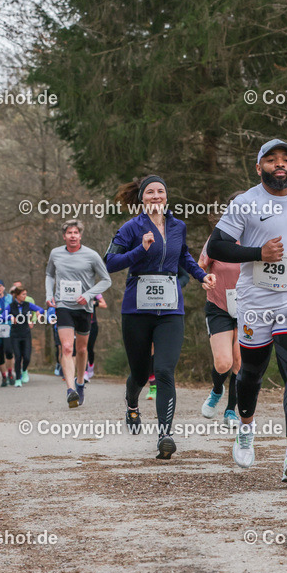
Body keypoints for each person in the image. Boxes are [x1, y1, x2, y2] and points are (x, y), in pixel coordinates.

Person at [208, 139, 287, 483]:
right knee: (251, 373)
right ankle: (245, 429)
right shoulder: (245, 203)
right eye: (272, 159)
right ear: (258, 166)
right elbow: (218, 246)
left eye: (286, 160)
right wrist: (257, 254)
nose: (280, 165)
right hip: (255, 304)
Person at [106, 175, 216, 460]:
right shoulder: (131, 228)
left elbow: (185, 257)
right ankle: (132, 403)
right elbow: (110, 262)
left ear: (166, 197)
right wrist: (139, 249)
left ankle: (165, 434)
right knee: (141, 373)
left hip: (169, 308)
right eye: (150, 192)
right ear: (142, 198)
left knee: (165, 370)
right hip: (136, 309)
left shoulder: (178, 225)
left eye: (161, 191)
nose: (156, 196)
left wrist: (202, 276)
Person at [46, 219, 112, 408]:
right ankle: (70, 389)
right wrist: (50, 295)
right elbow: (49, 274)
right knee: (67, 347)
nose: (73, 236)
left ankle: (80, 382)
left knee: (82, 349)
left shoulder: (91, 255)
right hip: (63, 305)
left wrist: (89, 295)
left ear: (80, 235)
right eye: (69, 233)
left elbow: (106, 280)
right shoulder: (55, 253)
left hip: (84, 308)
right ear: (64, 236)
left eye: (76, 233)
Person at [198, 194, 243, 425]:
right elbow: (200, 266)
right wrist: (205, 279)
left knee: (239, 363)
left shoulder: (259, 239)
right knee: (224, 363)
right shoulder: (218, 238)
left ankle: (231, 411)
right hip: (219, 306)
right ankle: (217, 390)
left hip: (248, 307)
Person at [8, 286, 45, 387]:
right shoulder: (11, 306)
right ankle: (18, 379)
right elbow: (3, 315)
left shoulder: (28, 305)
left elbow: (41, 309)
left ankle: (24, 370)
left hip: (26, 334)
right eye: (23, 294)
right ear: (17, 295)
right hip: (15, 334)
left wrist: (38, 312)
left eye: (26, 294)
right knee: (18, 356)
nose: (25, 296)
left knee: (27, 357)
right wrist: (10, 316)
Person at [84, 294, 106, 382]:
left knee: (90, 348)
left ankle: (90, 366)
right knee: (83, 348)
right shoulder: (79, 290)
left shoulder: (95, 292)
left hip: (93, 325)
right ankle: (84, 372)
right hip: (82, 322)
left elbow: (104, 304)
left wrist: (94, 303)